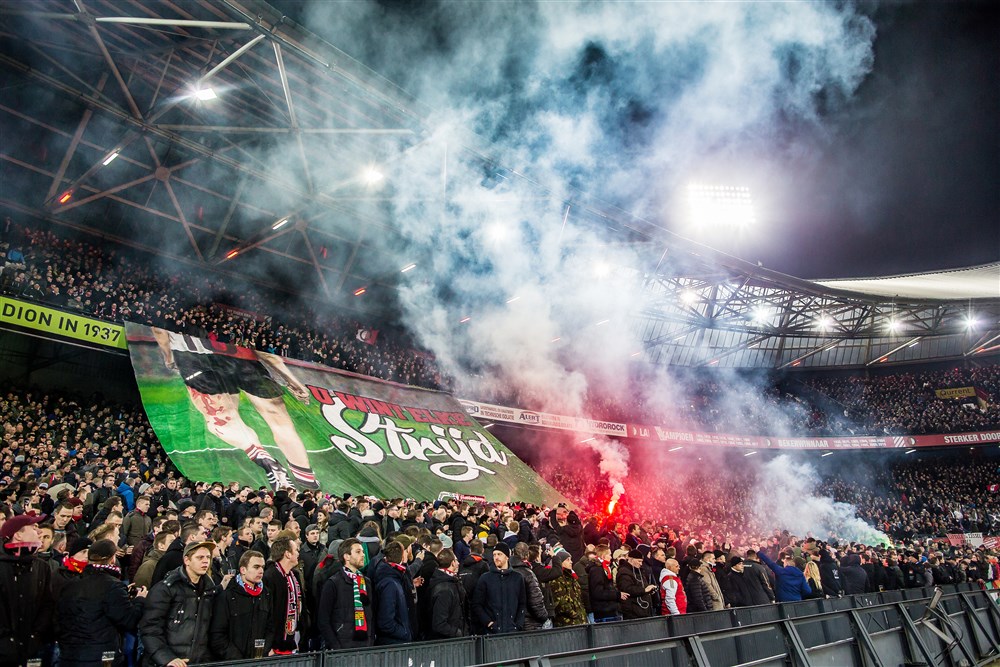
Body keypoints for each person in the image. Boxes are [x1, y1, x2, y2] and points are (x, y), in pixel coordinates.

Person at [152, 326, 319, 491]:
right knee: (280, 421)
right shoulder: (238, 314)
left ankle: (263, 457)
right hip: (243, 361)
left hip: (196, 360)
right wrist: (293, 381)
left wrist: (168, 358)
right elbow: (267, 354)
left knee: (222, 418)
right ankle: (306, 479)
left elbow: (160, 331)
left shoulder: (182, 309)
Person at [57, 539, 147, 667]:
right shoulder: (113, 586)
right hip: (103, 658)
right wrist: (139, 600)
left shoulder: (70, 584)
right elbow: (129, 620)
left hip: (70, 655)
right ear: (112, 559)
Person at [140, 540, 220, 666]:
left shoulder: (210, 590)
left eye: (208, 557)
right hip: (167, 662)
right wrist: (167, 659)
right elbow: (150, 628)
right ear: (187, 560)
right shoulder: (165, 588)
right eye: (200, 557)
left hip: (197, 662)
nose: (206, 561)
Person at [0, 513, 55, 665]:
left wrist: (36, 635)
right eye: (34, 527)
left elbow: (47, 604)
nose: (39, 532)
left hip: (32, 650)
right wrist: (6, 641)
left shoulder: (41, 567)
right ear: (17, 535)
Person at [209, 550, 274, 660]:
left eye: (262, 567)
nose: (261, 571)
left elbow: (270, 627)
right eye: (256, 567)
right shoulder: (227, 595)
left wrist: (264, 651)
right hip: (233, 661)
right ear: (243, 570)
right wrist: (236, 658)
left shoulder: (266, 594)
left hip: (259, 659)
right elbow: (217, 634)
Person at [317, 538, 374, 650]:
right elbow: (323, 619)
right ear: (346, 556)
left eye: (362, 551)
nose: (363, 555)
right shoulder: (333, 583)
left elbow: (371, 614)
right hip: (342, 647)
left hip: (365, 645)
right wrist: (336, 646)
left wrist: (370, 640)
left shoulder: (366, 582)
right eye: (358, 552)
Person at [262, 536, 307, 654]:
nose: (298, 553)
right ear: (287, 554)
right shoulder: (270, 576)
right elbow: (268, 613)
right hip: (276, 644)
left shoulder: (295, 575)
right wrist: (269, 645)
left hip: (294, 639)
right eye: (296, 550)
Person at [472, 542, 526, 634]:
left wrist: (518, 625)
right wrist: (489, 623)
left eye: (499, 554)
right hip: (491, 633)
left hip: (512, 632)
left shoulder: (518, 577)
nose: (496, 557)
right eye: (494, 555)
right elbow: (477, 604)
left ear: (507, 556)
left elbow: (522, 603)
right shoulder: (485, 578)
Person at [374, 540, 415, 644]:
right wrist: (405, 633)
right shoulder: (390, 584)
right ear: (402, 556)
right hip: (393, 644)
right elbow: (385, 622)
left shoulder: (394, 578)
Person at [426, 548, 468, 638]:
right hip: (449, 643)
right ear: (452, 563)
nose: (458, 563)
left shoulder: (451, 582)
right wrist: (457, 632)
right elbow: (439, 624)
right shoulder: (444, 590)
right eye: (456, 560)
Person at [511, 542, 549, 631]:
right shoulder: (527, 574)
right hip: (530, 623)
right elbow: (535, 600)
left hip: (513, 622)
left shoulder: (507, 571)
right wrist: (544, 617)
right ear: (527, 554)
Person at [587, 544, 624, 623]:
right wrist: (617, 595)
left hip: (609, 610)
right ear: (603, 556)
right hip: (604, 612)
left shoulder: (605, 568)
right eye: (609, 555)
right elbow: (597, 592)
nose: (611, 557)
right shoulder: (596, 570)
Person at [549, 549, 587, 627]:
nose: (571, 562)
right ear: (560, 562)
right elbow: (560, 602)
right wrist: (574, 614)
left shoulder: (572, 578)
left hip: (579, 622)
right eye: (568, 560)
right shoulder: (556, 579)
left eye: (571, 559)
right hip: (566, 623)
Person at [617, 549, 658, 619]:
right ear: (631, 559)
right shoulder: (624, 572)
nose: (641, 564)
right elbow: (627, 589)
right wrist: (644, 590)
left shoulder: (639, 571)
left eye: (641, 561)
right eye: (639, 561)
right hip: (633, 612)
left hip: (642, 610)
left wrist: (650, 590)